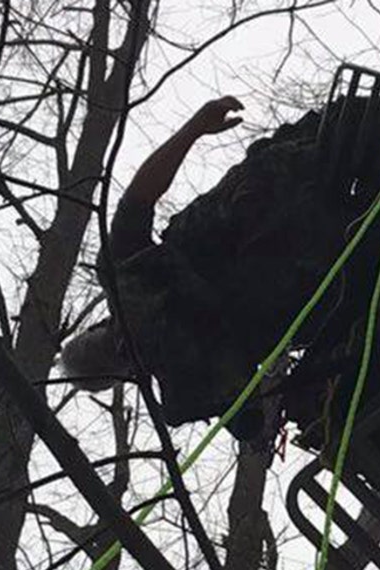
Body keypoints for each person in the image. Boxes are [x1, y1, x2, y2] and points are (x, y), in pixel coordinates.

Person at [60, 97, 270, 438]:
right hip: (269, 193)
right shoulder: (121, 275)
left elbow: (250, 423)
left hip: (324, 282)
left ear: (121, 377)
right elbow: (140, 196)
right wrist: (195, 127)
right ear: (94, 328)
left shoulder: (184, 394)